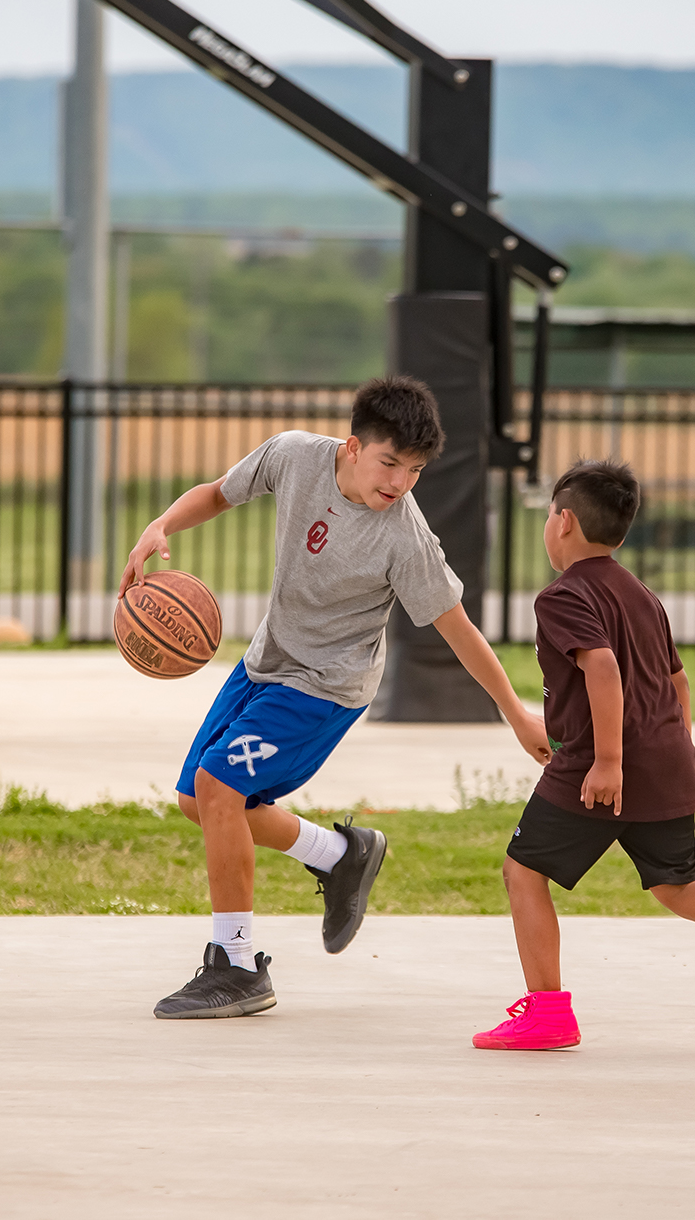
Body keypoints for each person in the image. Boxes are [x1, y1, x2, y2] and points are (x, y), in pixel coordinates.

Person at [120, 376, 552, 1020]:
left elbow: (457, 628)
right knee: (198, 801)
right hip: (268, 660)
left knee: (217, 789)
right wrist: (161, 525)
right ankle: (341, 854)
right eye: (390, 463)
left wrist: (515, 712)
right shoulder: (294, 455)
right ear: (352, 448)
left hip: (326, 687)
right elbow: (216, 493)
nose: (400, 481)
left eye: (415, 470)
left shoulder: (406, 538)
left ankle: (235, 966)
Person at [472, 458, 695, 1050]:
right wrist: (676, 751)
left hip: (596, 767)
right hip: (664, 759)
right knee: (676, 883)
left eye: (550, 515)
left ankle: (548, 1014)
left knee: (523, 871)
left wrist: (609, 762)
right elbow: (677, 683)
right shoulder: (642, 595)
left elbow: (601, 666)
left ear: (565, 522)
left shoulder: (563, 596)